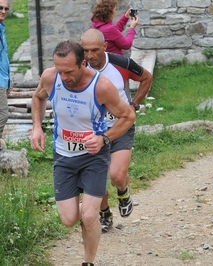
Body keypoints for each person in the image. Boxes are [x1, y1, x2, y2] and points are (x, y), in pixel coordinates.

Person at [30, 40, 136, 266]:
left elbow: (128, 116)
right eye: (60, 71)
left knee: (88, 217)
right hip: (63, 156)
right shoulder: (50, 77)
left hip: (93, 157)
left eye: (69, 71)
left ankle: (88, 261)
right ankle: (95, 204)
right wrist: (37, 128)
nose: (64, 76)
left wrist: (104, 138)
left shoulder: (101, 86)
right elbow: (38, 97)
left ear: (83, 64)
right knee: (69, 219)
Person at [81, 28, 152, 233]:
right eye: (85, 50)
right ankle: (104, 214)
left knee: (117, 175)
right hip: (92, 130)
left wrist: (134, 104)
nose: (90, 56)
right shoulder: (80, 66)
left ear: (105, 47)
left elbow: (146, 77)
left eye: (95, 50)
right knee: (98, 178)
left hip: (121, 126)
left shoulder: (121, 63)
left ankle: (123, 192)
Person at [0, 0, 11, 149]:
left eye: (6, 8)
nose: (3, 11)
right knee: (3, 115)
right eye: (0, 7)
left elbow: (4, 58)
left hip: (3, 80)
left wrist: (8, 80)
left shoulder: (1, 28)